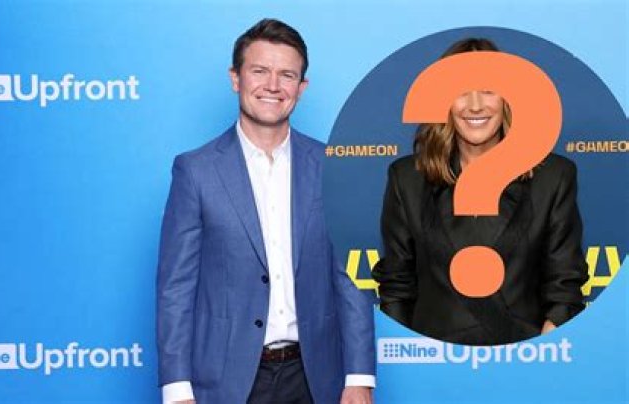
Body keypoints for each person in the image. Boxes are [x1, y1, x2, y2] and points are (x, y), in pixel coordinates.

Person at [157, 19, 375, 403]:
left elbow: (353, 278)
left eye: (286, 75)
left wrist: (359, 376)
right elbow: (176, 287)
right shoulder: (195, 171)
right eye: (259, 71)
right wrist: (176, 389)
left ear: (301, 88)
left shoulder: (332, 167)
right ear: (236, 78)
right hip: (225, 380)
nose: (273, 85)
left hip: (315, 377)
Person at [372, 38, 589, 346]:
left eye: (488, 89)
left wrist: (538, 357)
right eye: (461, 91)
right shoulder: (407, 179)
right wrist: (411, 359)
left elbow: (564, 287)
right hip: (433, 362)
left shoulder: (553, 177)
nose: (475, 105)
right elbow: (397, 286)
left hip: (523, 359)